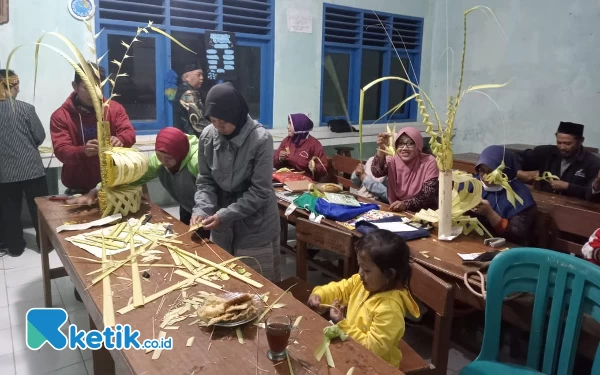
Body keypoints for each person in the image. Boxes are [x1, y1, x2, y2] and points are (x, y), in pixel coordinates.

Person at [190, 83, 280, 282]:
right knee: (227, 281)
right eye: (213, 121)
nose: (218, 127)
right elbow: (206, 181)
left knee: (258, 284)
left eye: (223, 121)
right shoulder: (208, 136)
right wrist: (202, 209)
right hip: (222, 223)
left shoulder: (260, 139)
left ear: (236, 115)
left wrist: (225, 215)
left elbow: (260, 191)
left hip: (256, 223)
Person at [66, 127, 208, 237]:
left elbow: (211, 190)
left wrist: (207, 211)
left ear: (180, 152)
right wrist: (96, 190)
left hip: (210, 206)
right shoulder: (157, 161)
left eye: (169, 158)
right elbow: (131, 178)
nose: (164, 162)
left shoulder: (197, 162)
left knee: (215, 247)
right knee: (189, 239)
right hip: (188, 205)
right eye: (160, 156)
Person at [307, 230, 419, 367]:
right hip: (354, 351)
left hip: (376, 366)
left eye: (366, 270)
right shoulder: (362, 283)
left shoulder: (390, 309)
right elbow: (340, 289)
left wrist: (342, 324)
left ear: (389, 274)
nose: (360, 273)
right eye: (360, 266)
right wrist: (320, 295)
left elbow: (373, 348)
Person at [50, 63, 136, 194]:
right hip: (78, 190)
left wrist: (121, 139)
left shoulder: (113, 109)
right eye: (87, 88)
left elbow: (129, 133)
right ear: (75, 86)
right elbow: (61, 151)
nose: (94, 93)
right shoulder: (61, 116)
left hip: (112, 187)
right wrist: (83, 151)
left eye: (98, 87)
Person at [0, 70, 48, 257]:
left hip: (4, 171)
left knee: (9, 211)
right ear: (11, 85)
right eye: (16, 85)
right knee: (40, 208)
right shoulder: (26, 109)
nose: (19, 89)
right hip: (32, 169)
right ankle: (45, 245)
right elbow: (39, 136)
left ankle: (15, 247)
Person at [471, 146, 537, 245]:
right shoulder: (473, 184)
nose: (484, 176)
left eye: (490, 172)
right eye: (481, 170)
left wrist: (490, 214)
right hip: (475, 241)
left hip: (506, 248)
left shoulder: (520, 197)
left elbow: (516, 236)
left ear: (504, 171)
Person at [517, 122, 600, 199]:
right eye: (559, 143)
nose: (562, 147)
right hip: (545, 201)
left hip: (576, 208)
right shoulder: (547, 152)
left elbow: (592, 194)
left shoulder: (593, 163)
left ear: (581, 141)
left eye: (567, 144)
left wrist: (568, 187)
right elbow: (514, 158)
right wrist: (519, 173)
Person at [371, 126, 439, 212]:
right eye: (400, 144)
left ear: (418, 145)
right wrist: (381, 147)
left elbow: (428, 194)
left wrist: (406, 204)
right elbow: (376, 172)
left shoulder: (429, 161)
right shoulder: (393, 160)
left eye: (410, 144)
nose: (404, 148)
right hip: (397, 209)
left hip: (425, 213)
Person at [273, 113, 328, 180]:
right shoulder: (287, 141)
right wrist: (279, 159)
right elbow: (274, 164)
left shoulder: (314, 144)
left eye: (290, 124)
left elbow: (324, 168)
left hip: (305, 181)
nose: (288, 127)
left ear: (299, 126)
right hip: (287, 178)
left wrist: (314, 168)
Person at [174, 63, 210, 137]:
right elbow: (198, 123)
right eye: (198, 75)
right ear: (187, 77)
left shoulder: (183, 90)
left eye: (202, 75)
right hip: (191, 139)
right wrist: (216, 129)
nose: (202, 78)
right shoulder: (188, 94)